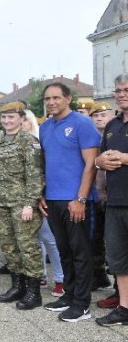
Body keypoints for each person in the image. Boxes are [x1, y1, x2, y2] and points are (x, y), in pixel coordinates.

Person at [38, 82, 100, 322]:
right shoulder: (45, 128)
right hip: (53, 199)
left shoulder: (82, 124)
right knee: (64, 250)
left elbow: (91, 164)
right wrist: (42, 194)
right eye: (47, 99)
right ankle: (69, 294)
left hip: (76, 200)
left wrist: (80, 199)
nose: (51, 102)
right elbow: (47, 163)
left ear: (68, 98)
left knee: (80, 252)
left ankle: (82, 304)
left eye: (56, 97)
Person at [0, 102, 45, 310]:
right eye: (4, 118)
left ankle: (33, 292)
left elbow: (35, 175)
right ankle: (17, 286)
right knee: (9, 248)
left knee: (27, 247)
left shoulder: (29, 142)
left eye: (11, 117)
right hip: (1, 204)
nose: (7, 121)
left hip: (21, 204)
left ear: (21, 119)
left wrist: (30, 204)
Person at [93, 74, 128, 326]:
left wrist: (124, 158)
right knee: (118, 259)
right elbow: (100, 157)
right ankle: (124, 307)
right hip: (115, 202)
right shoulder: (112, 125)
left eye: (126, 90)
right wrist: (99, 161)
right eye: (118, 90)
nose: (121, 94)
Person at [89, 102, 117, 292]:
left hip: (114, 197)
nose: (99, 118)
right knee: (95, 238)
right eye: (95, 115)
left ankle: (119, 287)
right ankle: (99, 276)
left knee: (115, 243)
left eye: (103, 115)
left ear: (111, 116)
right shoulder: (89, 138)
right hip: (94, 196)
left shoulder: (116, 135)